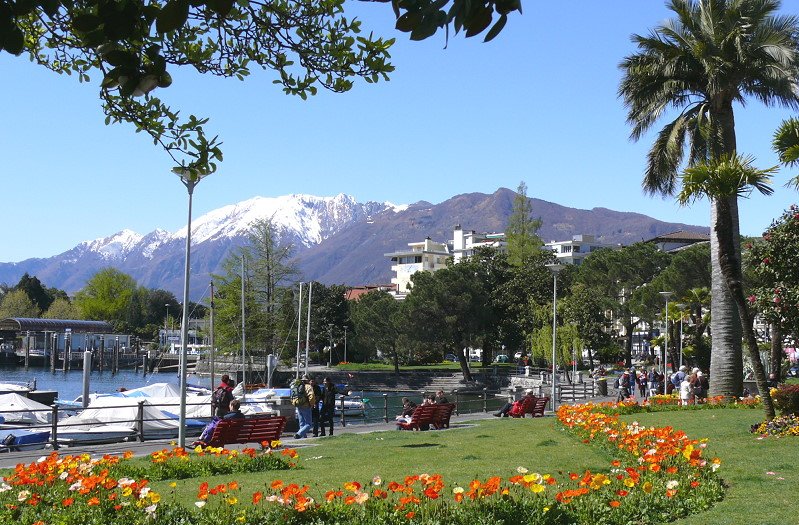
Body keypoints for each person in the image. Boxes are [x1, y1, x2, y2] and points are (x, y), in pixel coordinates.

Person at [292, 375, 316, 439]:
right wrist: (311, 404)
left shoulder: (297, 386)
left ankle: (303, 437)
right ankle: (298, 434)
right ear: (308, 380)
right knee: (308, 424)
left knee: (302, 423)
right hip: (306, 406)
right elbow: (312, 396)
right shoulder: (308, 386)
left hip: (298, 405)